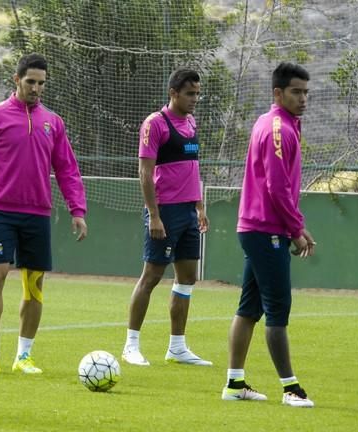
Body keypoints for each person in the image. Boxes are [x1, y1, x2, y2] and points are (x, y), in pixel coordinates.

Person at [0, 53, 88, 375]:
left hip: (37, 214)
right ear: (16, 80)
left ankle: (24, 357)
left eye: (41, 84)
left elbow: (67, 170)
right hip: (0, 212)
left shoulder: (53, 122)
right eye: (31, 82)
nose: (36, 88)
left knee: (34, 286)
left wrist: (78, 210)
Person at [221, 62, 315, 407]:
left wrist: (295, 226)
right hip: (266, 229)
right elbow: (277, 187)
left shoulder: (278, 123)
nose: (303, 98)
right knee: (278, 311)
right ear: (278, 93)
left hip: (258, 228)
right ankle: (291, 389)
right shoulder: (279, 128)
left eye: (306, 92)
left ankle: (234, 384)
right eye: (296, 92)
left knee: (249, 309)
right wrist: (296, 230)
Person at [121, 68, 211, 367]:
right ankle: (131, 345)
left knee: (187, 278)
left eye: (197, 93)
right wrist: (154, 215)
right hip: (165, 211)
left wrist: (199, 205)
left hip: (188, 211)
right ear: (173, 93)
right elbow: (145, 172)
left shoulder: (192, 122)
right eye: (189, 93)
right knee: (152, 276)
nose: (194, 99)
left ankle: (177, 347)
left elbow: (192, 166)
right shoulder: (154, 124)